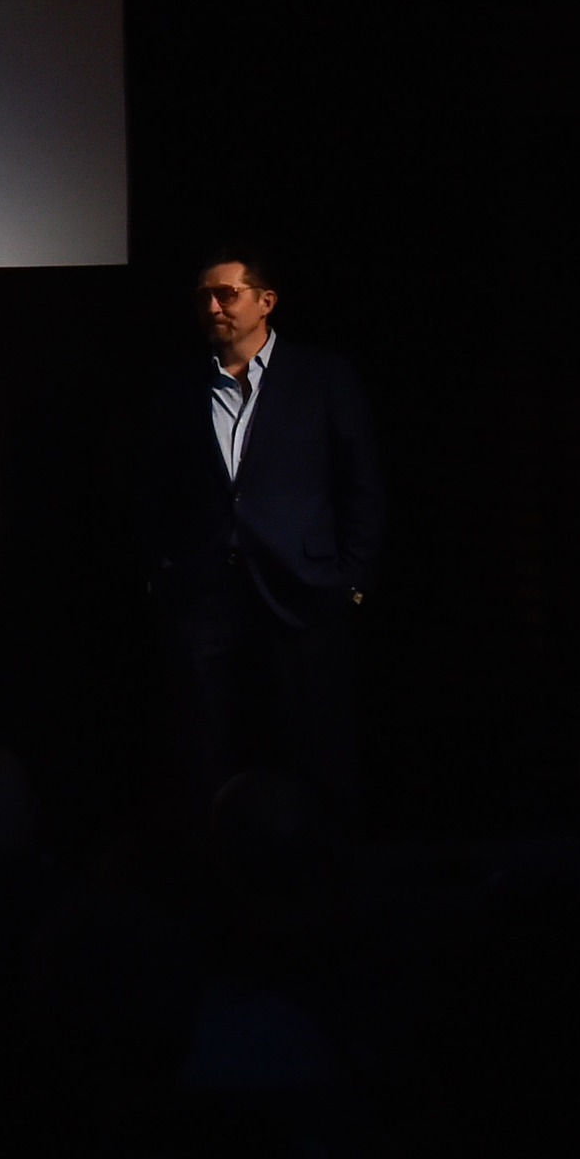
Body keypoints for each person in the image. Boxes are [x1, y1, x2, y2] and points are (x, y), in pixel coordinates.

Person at [145, 248, 386, 823]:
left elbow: (362, 484)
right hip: (206, 595)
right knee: (204, 754)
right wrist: (161, 573)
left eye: (226, 294)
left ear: (265, 302)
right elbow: (154, 488)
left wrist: (351, 582)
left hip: (299, 592)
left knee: (312, 751)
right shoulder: (179, 386)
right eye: (204, 295)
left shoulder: (321, 376)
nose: (212, 306)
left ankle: (316, 879)